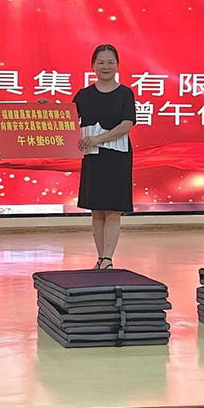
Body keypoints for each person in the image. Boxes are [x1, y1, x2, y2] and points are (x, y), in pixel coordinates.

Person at [72, 44, 136, 270]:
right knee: (97, 210)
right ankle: (100, 258)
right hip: (93, 157)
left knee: (113, 210)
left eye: (110, 62)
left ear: (117, 65)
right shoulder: (84, 95)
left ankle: (108, 257)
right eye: (101, 62)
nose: (105, 67)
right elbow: (67, 119)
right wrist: (45, 109)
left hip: (117, 158)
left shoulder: (125, 93)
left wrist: (99, 139)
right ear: (92, 66)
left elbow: (126, 125)